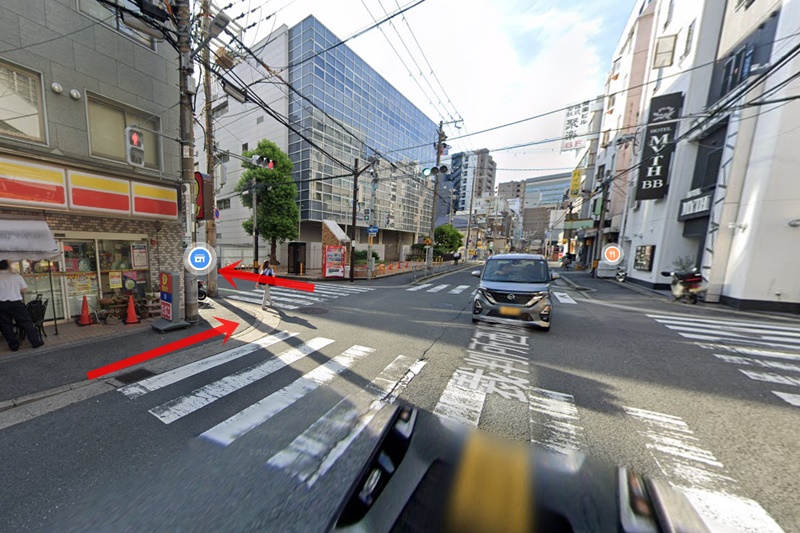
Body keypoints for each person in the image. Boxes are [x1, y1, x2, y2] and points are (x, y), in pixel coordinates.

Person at [0, 259, 43, 351]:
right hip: (16, 303)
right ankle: (35, 342)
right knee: (26, 323)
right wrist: (15, 290)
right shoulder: (16, 276)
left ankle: (14, 346)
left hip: (1, 304)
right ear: (8, 266)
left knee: (6, 325)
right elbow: (24, 289)